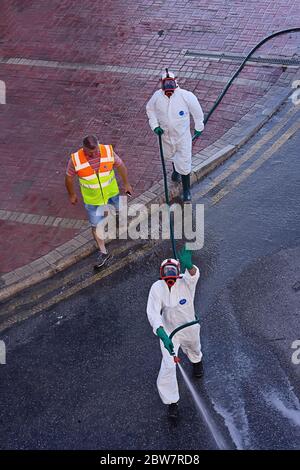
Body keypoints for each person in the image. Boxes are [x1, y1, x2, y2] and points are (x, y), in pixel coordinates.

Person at [146, 247, 203, 419]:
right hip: (169, 332)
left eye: (173, 274)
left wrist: (190, 265)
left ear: (178, 273)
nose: (170, 278)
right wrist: (161, 333)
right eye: (166, 274)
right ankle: (172, 402)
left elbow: (194, 275)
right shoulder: (157, 288)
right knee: (169, 365)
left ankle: (196, 360)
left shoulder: (186, 282)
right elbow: (153, 313)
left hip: (189, 327)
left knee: (194, 348)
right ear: (161, 275)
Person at [65, 135, 133, 269]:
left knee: (119, 209)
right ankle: (103, 252)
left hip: (111, 192)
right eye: (90, 153)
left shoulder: (107, 151)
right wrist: (72, 194)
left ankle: (119, 217)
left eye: (96, 151)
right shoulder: (75, 160)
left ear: (98, 145)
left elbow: (121, 166)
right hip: (93, 200)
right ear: (83, 148)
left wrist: (126, 184)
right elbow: (68, 178)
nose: (94, 154)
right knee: (96, 226)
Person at [146, 69, 204, 202]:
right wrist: (155, 126)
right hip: (165, 137)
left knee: (184, 162)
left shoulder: (186, 96)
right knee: (170, 155)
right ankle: (175, 171)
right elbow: (150, 110)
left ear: (175, 83)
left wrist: (198, 126)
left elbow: (197, 112)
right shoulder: (157, 97)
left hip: (182, 137)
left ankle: (186, 190)